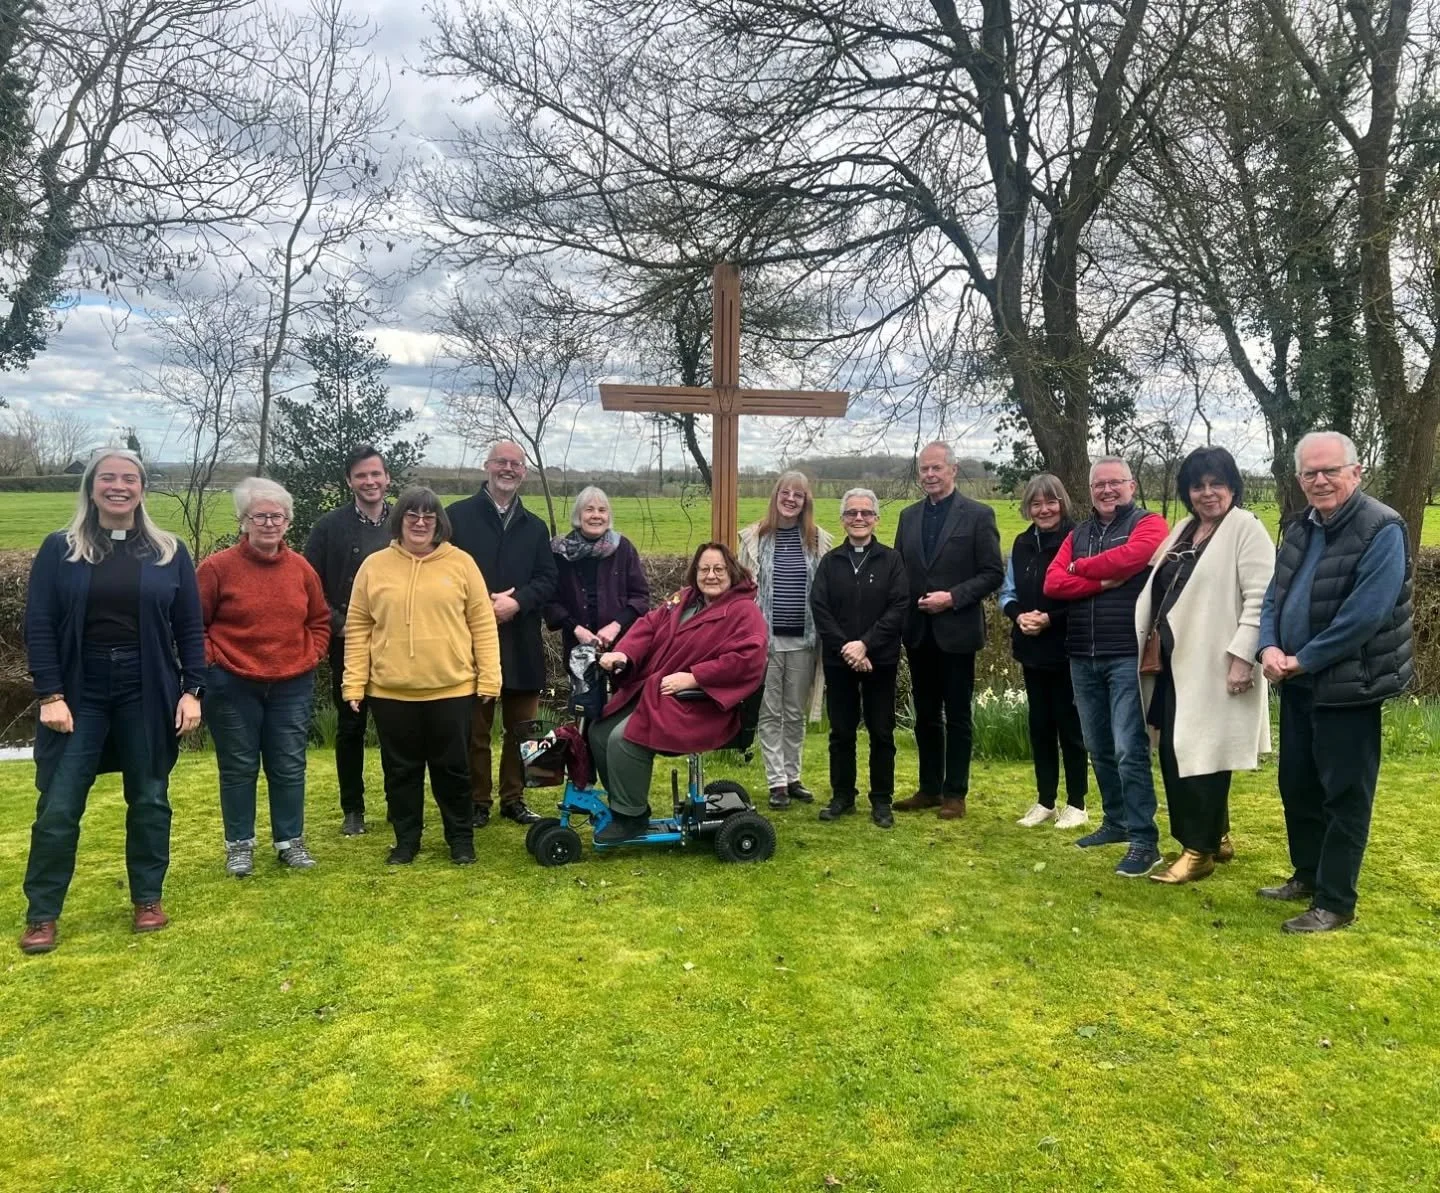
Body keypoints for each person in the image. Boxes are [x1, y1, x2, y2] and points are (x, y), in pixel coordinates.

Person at [19, 449, 205, 955]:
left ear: (143, 487)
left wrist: (193, 690)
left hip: (146, 687)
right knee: (58, 804)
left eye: (129, 478)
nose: (118, 486)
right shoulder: (62, 549)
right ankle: (42, 913)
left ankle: (147, 898)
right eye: (108, 478)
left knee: (148, 798)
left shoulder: (169, 551)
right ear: (92, 486)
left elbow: (189, 627)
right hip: (80, 689)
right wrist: (49, 694)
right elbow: (38, 624)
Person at [1257, 431, 1412, 933]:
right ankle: (1306, 876)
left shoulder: (1382, 528)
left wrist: (1302, 659)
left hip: (1351, 686)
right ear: (1299, 478)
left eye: (1330, 471)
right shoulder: (1299, 527)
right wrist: (1268, 648)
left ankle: (1336, 901)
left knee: (1344, 795)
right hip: (1296, 680)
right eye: (1309, 473)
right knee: (1296, 784)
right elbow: (1272, 599)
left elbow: (1364, 617)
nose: (1320, 481)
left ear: (1356, 472)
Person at [1133, 447, 1274, 884]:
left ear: (1233, 486)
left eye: (1217, 483)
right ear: (1187, 491)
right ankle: (1219, 835)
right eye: (1198, 485)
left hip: (1216, 665)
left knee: (1198, 754)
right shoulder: (1183, 529)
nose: (1207, 493)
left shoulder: (1245, 529)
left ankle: (1198, 852)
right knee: (1184, 750)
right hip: (1175, 664)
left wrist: (1242, 658)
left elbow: (1261, 598)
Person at [342, 487, 502, 866]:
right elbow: (359, 625)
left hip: (452, 688)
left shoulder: (461, 564)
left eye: (428, 517)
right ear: (399, 521)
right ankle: (406, 841)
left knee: (454, 770)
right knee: (400, 773)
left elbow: (482, 624)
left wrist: (489, 678)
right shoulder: (374, 566)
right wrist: (353, 681)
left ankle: (461, 840)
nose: (420, 522)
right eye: (412, 515)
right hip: (390, 691)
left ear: (439, 523)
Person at [591, 543, 769, 841]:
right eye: (704, 569)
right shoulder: (684, 599)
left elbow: (747, 659)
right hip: (658, 692)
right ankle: (624, 803)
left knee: (625, 739)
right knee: (599, 731)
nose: (711, 576)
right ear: (695, 572)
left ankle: (630, 818)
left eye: (718, 569)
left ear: (732, 572)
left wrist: (695, 678)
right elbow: (647, 625)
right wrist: (624, 654)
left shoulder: (743, 611)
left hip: (701, 705)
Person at [199, 478, 331, 877]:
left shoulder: (301, 569)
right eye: (260, 516)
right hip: (233, 682)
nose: (269, 523)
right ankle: (239, 845)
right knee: (238, 767)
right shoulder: (216, 568)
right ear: (244, 521)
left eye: (278, 516)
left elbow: (320, 620)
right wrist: (214, 662)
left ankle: (290, 842)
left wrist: (313, 652)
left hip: (292, 683)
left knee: (289, 764)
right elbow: (193, 626)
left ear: (288, 522)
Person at [1044, 456, 1169, 877]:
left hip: (1125, 652)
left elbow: (1137, 555)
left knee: (1129, 749)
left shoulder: (1149, 524)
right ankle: (1115, 822)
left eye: (1115, 483)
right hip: (1081, 652)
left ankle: (1144, 840)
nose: (1107, 490)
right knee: (1097, 746)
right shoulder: (1078, 532)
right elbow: (1052, 582)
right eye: (1099, 484)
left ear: (1131, 485)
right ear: (1091, 489)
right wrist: (1099, 580)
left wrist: (1081, 567)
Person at [448, 441, 557, 828]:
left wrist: (518, 602)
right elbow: (443, 574)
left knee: (524, 729)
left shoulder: (535, 526)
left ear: (524, 472)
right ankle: (478, 800)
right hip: (472, 641)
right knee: (475, 730)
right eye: (501, 462)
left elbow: (548, 580)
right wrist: (481, 605)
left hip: (522, 639)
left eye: (516, 464)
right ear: (487, 466)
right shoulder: (456, 517)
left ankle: (515, 798)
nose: (508, 469)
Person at [893, 441, 1004, 819]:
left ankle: (955, 792)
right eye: (924, 469)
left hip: (956, 631)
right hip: (919, 631)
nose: (929, 475)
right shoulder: (908, 518)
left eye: (936, 468)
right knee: (925, 714)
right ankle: (928, 788)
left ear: (953, 470)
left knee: (957, 715)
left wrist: (952, 598)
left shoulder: (977, 515)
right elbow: (899, 573)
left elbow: (992, 573)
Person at [304, 445, 394, 837]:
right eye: (361, 475)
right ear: (349, 481)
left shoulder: (406, 522)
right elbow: (308, 585)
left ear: (387, 477)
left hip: (397, 641)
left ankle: (399, 803)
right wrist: (338, 624)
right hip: (348, 640)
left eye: (375, 474)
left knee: (397, 727)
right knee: (351, 726)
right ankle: (353, 809)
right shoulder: (329, 527)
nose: (369, 481)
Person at [809, 488, 908, 828]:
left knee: (882, 731)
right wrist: (848, 650)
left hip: (880, 659)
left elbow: (897, 608)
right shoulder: (831, 562)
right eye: (852, 513)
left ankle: (882, 800)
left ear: (876, 519)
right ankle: (842, 796)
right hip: (840, 662)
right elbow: (820, 609)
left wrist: (865, 645)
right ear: (843, 519)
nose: (859, 518)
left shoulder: (891, 560)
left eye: (866, 513)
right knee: (841, 731)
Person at [998, 474, 1089, 830]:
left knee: (1071, 728)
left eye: (1050, 502)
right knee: (1040, 726)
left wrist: (1050, 618)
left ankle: (1078, 804)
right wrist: (1020, 617)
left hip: (1068, 648)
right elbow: (1007, 592)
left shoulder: (1079, 540)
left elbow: (1085, 595)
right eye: (1036, 504)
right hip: (1031, 648)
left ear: (1062, 503)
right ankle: (1045, 801)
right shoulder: (1021, 543)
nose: (1044, 509)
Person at [739, 471, 833, 809]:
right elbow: (743, 591)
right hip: (766, 641)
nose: (791, 498)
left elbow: (825, 592)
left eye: (799, 494)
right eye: (785, 492)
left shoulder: (819, 540)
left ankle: (793, 777)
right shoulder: (754, 538)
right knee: (769, 711)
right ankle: (775, 781)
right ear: (776, 495)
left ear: (806, 501)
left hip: (805, 640)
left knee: (794, 712)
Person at [543, 486, 650, 716]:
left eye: (602, 510)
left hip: (620, 646)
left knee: (620, 711)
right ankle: (582, 751)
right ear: (578, 515)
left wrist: (616, 625)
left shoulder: (623, 549)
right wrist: (576, 629)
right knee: (585, 712)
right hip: (578, 649)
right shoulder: (560, 552)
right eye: (589, 509)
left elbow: (640, 597)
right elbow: (550, 601)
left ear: (608, 516)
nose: (596, 515)